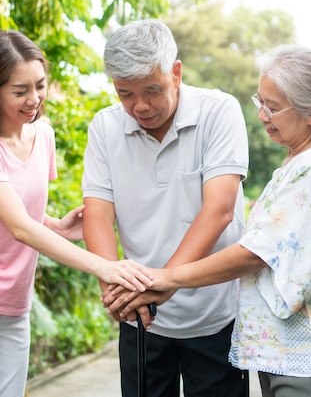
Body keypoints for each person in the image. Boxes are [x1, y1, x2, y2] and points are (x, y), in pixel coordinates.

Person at [135, 44, 311, 397]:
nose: (262, 115)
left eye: (273, 107)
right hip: (292, 353)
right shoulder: (300, 160)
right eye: (260, 101)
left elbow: (257, 253)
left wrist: (168, 277)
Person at [0, 30, 153, 397]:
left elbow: (21, 214)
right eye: (19, 91)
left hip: (13, 304)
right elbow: (18, 227)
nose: (34, 100)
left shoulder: (42, 135)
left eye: (40, 86)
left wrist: (58, 227)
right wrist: (106, 267)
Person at [82, 19, 250, 397]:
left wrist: (164, 282)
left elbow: (219, 210)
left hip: (215, 318)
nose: (140, 106)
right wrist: (112, 286)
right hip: (141, 318)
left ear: (176, 73)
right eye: (125, 94)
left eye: (152, 90)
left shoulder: (218, 112)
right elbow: (97, 213)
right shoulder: (105, 128)